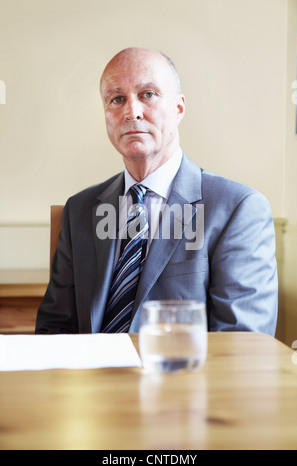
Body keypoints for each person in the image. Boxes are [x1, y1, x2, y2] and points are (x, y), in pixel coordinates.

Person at [35, 47, 278, 335]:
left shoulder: (238, 209)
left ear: (178, 108)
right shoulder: (80, 210)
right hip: (93, 379)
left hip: (181, 376)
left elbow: (242, 345)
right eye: (117, 99)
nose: (132, 112)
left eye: (148, 94)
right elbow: (54, 330)